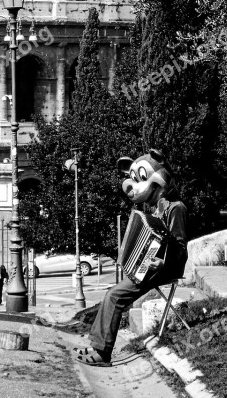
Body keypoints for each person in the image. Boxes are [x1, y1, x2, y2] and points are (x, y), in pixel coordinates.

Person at [75, 149, 188, 367]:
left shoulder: (176, 208)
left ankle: (102, 352)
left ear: (159, 182)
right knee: (113, 294)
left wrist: (164, 262)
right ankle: (98, 346)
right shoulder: (155, 208)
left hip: (164, 268)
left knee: (115, 296)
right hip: (151, 267)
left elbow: (180, 248)